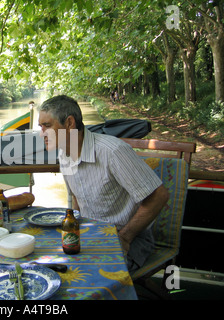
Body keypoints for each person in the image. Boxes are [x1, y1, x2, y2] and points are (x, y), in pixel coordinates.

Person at [38, 95, 169, 272]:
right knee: (47, 263)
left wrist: (124, 238)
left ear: (69, 123)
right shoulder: (64, 153)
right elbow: (77, 198)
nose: (42, 134)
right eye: (41, 127)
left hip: (130, 237)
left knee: (87, 275)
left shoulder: (113, 151)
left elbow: (159, 196)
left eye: (47, 126)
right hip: (91, 234)